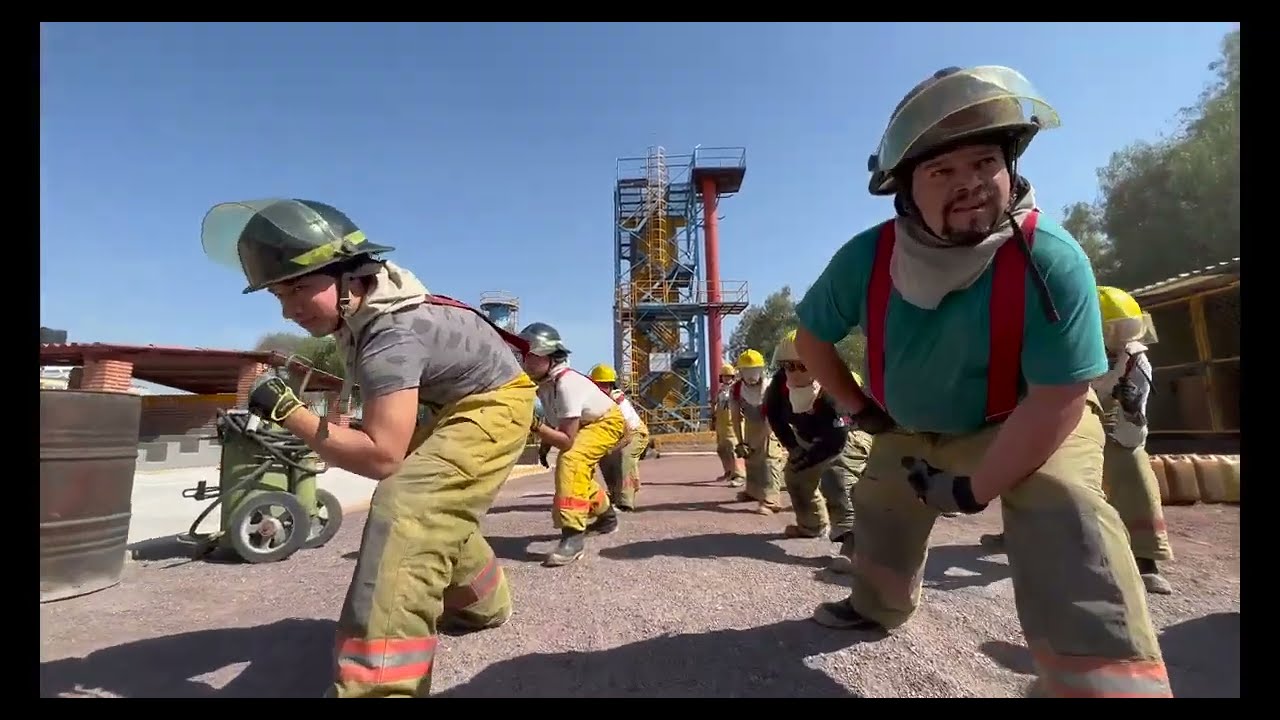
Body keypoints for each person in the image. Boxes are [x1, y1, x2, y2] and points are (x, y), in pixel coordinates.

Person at [791, 66, 1172, 697]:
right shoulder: (866, 257)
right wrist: (859, 410)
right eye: (941, 171)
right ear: (905, 189)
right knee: (882, 503)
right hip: (910, 427)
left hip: (1025, 420)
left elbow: (1057, 399)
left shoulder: (1050, 258)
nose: (968, 183)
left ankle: (1102, 683)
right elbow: (812, 341)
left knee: (1062, 504)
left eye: (984, 163)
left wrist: (972, 490)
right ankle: (878, 604)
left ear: (1010, 168)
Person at [199, 198, 536, 698]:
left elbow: (382, 456)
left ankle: (380, 687)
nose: (288, 309)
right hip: (450, 404)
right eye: (278, 295)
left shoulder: (390, 334)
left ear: (351, 277)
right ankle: (482, 603)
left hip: (494, 402)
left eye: (298, 289)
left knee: (407, 506)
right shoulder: (364, 315)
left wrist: (290, 412)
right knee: (430, 501)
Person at [980, 286, 1175, 594]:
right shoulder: (1058, 354)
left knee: (1134, 467)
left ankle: (1145, 559)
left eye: (1126, 330)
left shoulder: (1135, 362)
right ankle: (1017, 535)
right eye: (1113, 332)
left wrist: (1132, 410)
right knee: (1027, 465)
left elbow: (1134, 433)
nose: (1120, 342)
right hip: (1065, 425)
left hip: (1114, 431)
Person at [519, 322, 625, 567]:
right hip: (586, 423)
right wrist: (546, 442)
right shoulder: (545, 385)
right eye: (523, 355)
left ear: (551, 357)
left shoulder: (567, 384)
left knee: (571, 460)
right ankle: (607, 518)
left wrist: (535, 426)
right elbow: (555, 416)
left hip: (606, 421)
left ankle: (573, 536)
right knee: (576, 474)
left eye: (532, 355)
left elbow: (566, 441)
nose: (526, 362)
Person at [763, 329, 860, 545]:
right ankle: (811, 525)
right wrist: (793, 447)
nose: (794, 374)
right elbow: (774, 416)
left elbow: (837, 440)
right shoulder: (779, 384)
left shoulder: (834, 388)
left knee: (836, 476)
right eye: (788, 366)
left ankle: (851, 536)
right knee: (795, 477)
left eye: (803, 366)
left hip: (849, 435)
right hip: (812, 436)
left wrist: (811, 457)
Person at [728, 349, 785, 514]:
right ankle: (753, 491)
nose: (751, 375)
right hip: (750, 425)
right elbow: (735, 417)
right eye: (746, 371)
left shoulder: (770, 388)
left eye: (754, 370)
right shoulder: (736, 389)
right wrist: (741, 442)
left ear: (761, 370)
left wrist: (753, 444)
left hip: (771, 425)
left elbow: (770, 422)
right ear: (740, 372)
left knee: (769, 459)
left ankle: (772, 499)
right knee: (751, 459)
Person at [588, 362, 650, 511]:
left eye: (605, 385)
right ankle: (615, 495)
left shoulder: (617, 401)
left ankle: (625, 503)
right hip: (615, 436)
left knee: (625, 457)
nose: (601, 389)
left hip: (635, 434)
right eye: (598, 385)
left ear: (611, 386)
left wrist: (613, 449)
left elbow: (627, 434)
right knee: (604, 458)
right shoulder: (592, 402)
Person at [712, 363, 747, 486]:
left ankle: (740, 475)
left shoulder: (737, 389)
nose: (726, 378)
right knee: (722, 449)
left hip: (733, 425)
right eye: (724, 376)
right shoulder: (721, 390)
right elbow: (716, 405)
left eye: (729, 376)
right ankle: (729, 471)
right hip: (721, 425)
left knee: (734, 449)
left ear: (733, 377)